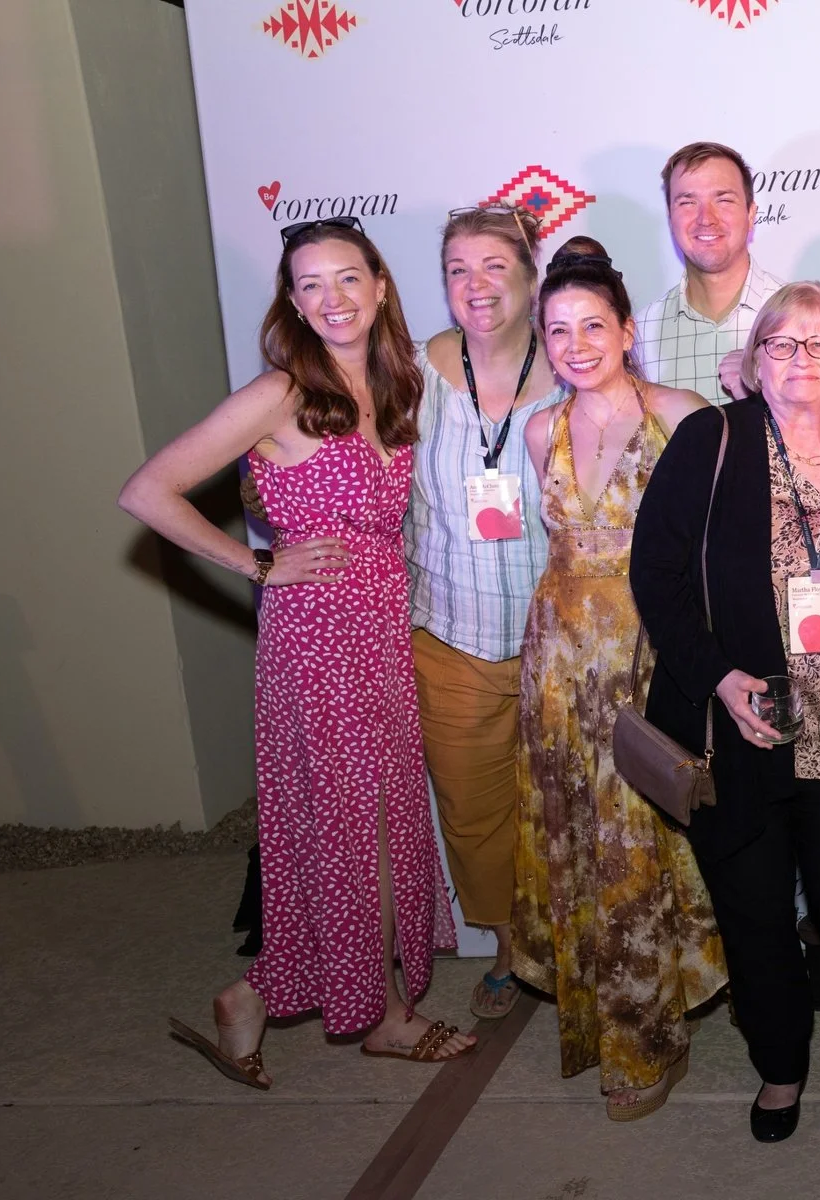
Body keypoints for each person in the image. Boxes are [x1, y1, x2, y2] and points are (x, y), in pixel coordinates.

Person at [126, 217, 474, 1085]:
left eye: (348, 277)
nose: (332, 298)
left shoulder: (393, 382)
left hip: (381, 632)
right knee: (355, 834)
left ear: (380, 286)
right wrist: (257, 563)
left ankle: (253, 998)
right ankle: (378, 1015)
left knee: (373, 828)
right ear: (292, 300)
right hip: (318, 641)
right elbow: (149, 491)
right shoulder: (279, 393)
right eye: (310, 284)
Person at [631, 282, 820, 1143]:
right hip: (747, 724)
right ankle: (780, 1066)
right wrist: (718, 677)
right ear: (754, 361)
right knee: (755, 909)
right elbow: (655, 572)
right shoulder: (712, 440)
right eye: (783, 343)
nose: (803, 359)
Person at [509, 246, 726, 1120]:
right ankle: (609, 1016)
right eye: (558, 331)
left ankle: (649, 1037)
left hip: (650, 657)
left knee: (643, 838)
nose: (577, 344)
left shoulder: (683, 417)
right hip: (560, 665)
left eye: (593, 325)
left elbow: (714, 548)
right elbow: (559, 553)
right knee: (579, 837)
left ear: (629, 331)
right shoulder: (538, 431)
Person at [405, 205, 564, 1020]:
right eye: (458, 270)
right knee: (473, 812)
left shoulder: (574, 363)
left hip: (560, 641)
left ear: (532, 278)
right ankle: (509, 947)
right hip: (451, 636)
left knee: (569, 803)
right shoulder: (409, 373)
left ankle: (572, 938)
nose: (476, 285)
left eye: (495, 266)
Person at [634, 141, 785, 404]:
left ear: (751, 214)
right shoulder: (642, 333)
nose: (706, 218)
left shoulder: (798, 318)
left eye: (723, 200)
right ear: (670, 218)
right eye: (688, 202)